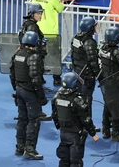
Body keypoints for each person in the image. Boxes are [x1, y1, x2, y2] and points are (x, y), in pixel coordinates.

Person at [10, 32, 46, 160]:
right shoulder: (33, 57)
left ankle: (20, 147)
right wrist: (41, 97)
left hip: (19, 90)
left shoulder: (17, 54)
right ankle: (30, 149)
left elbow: (11, 73)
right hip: (30, 92)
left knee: (22, 118)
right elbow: (35, 78)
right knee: (34, 120)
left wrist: (17, 88)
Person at [52, 72, 100, 167]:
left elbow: (54, 115)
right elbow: (86, 120)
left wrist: (59, 127)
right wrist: (93, 134)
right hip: (75, 134)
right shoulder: (77, 100)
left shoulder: (56, 97)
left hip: (63, 133)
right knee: (75, 161)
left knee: (64, 160)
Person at [98, 27, 119, 142]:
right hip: (117, 83)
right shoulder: (118, 52)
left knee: (107, 105)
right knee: (117, 108)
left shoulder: (102, 49)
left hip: (106, 82)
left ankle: (105, 130)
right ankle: (116, 133)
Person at [70, 17, 99, 118]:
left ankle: (78, 121)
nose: (97, 27)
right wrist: (98, 74)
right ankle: (87, 123)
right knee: (86, 99)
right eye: (95, 25)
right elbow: (92, 61)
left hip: (77, 72)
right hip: (87, 75)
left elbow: (72, 55)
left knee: (78, 97)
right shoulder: (90, 42)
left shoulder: (75, 38)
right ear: (90, 28)